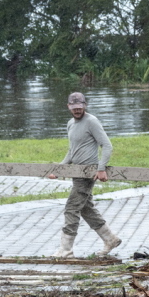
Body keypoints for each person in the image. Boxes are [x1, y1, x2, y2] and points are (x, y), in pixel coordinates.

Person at [48, 92, 122, 258]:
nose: (77, 111)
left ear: (85, 105)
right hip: (76, 172)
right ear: (68, 107)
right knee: (86, 209)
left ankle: (66, 250)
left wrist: (101, 168)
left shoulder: (91, 121)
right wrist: (60, 170)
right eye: (74, 108)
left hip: (88, 173)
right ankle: (110, 239)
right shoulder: (70, 124)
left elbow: (107, 145)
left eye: (80, 107)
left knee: (71, 208)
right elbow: (71, 151)